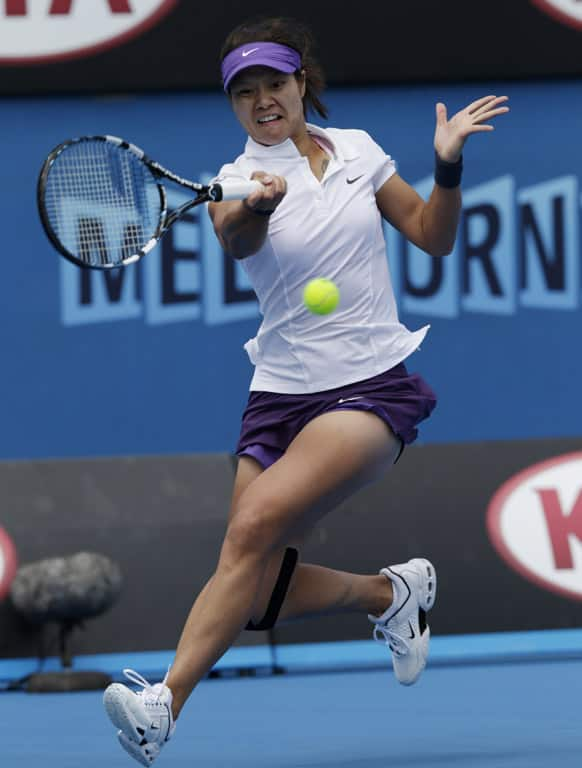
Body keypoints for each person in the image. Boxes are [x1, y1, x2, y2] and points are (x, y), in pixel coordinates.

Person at [103, 16, 509, 766]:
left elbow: (432, 234)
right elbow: (236, 239)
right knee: (255, 592)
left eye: (274, 83)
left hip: (368, 387)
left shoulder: (356, 150)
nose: (262, 100)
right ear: (234, 104)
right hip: (279, 398)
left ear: (301, 84)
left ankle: (163, 704)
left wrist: (445, 169)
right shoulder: (235, 180)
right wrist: (257, 204)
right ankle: (390, 597)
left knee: (251, 526)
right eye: (245, 91)